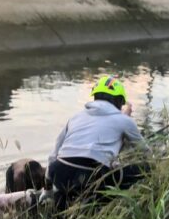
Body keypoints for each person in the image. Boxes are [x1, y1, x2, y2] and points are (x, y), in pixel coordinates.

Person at [46, 76, 150, 211]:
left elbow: (52, 157)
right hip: (92, 175)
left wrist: (48, 190)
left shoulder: (75, 117)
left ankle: (59, 212)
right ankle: (101, 209)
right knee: (146, 168)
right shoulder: (124, 120)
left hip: (60, 172)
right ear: (119, 101)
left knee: (63, 204)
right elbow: (145, 152)